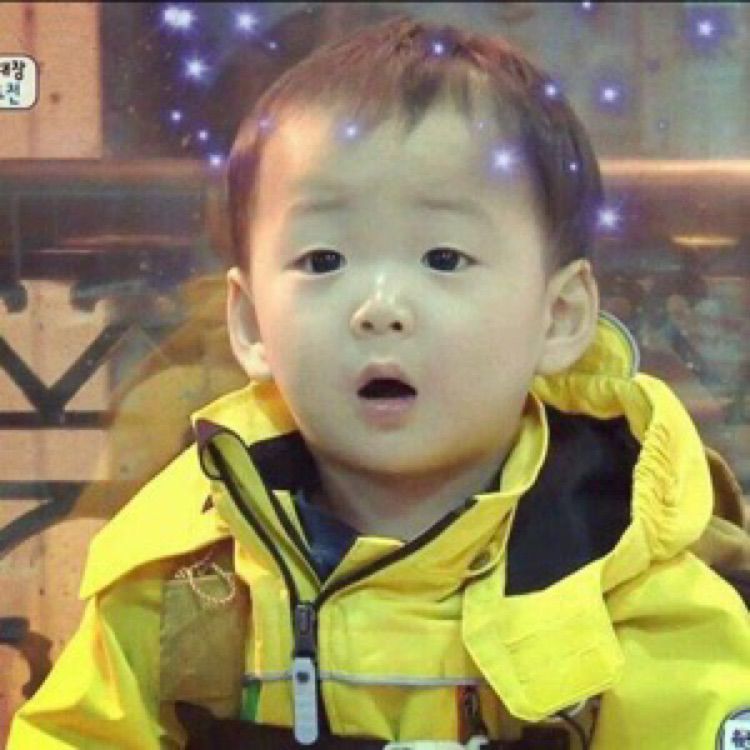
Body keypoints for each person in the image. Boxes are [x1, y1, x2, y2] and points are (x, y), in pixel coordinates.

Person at [9, 15, 750, 750]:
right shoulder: (184, 570)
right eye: (323, 261)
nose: (380, 308)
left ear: (559, 316)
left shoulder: (627, 579)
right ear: (251, 323)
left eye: (444, 259)